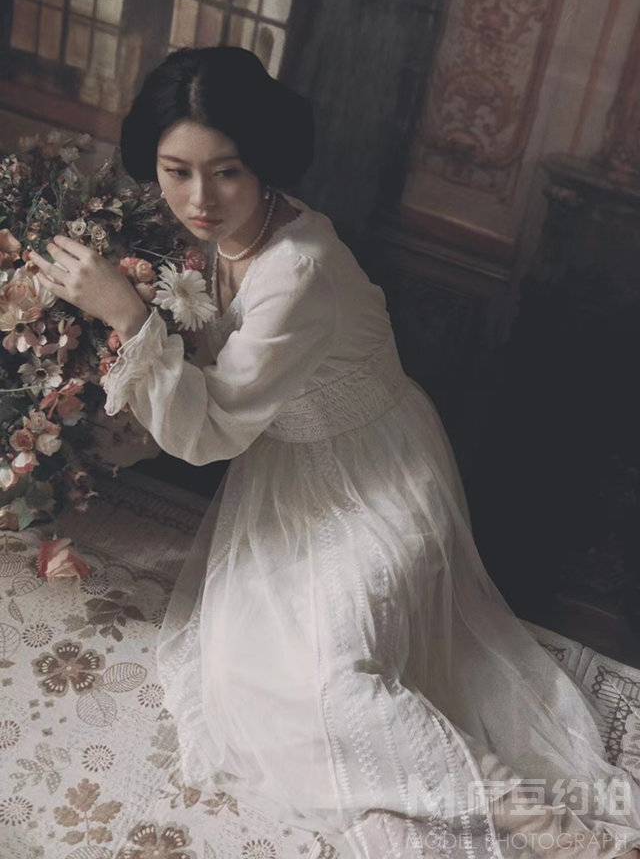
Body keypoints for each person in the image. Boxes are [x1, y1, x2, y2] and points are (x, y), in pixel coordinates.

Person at [29, 46, 640, 859]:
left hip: (379, 481)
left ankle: (550, 825)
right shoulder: (196, 240)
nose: (200, 199)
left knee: (333, 685)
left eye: (228, 173)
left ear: (265, 165)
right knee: (245, 674)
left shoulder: (301, 269)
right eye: (177, 172)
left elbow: (210, 434)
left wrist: (130, 318)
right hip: (285, 473)